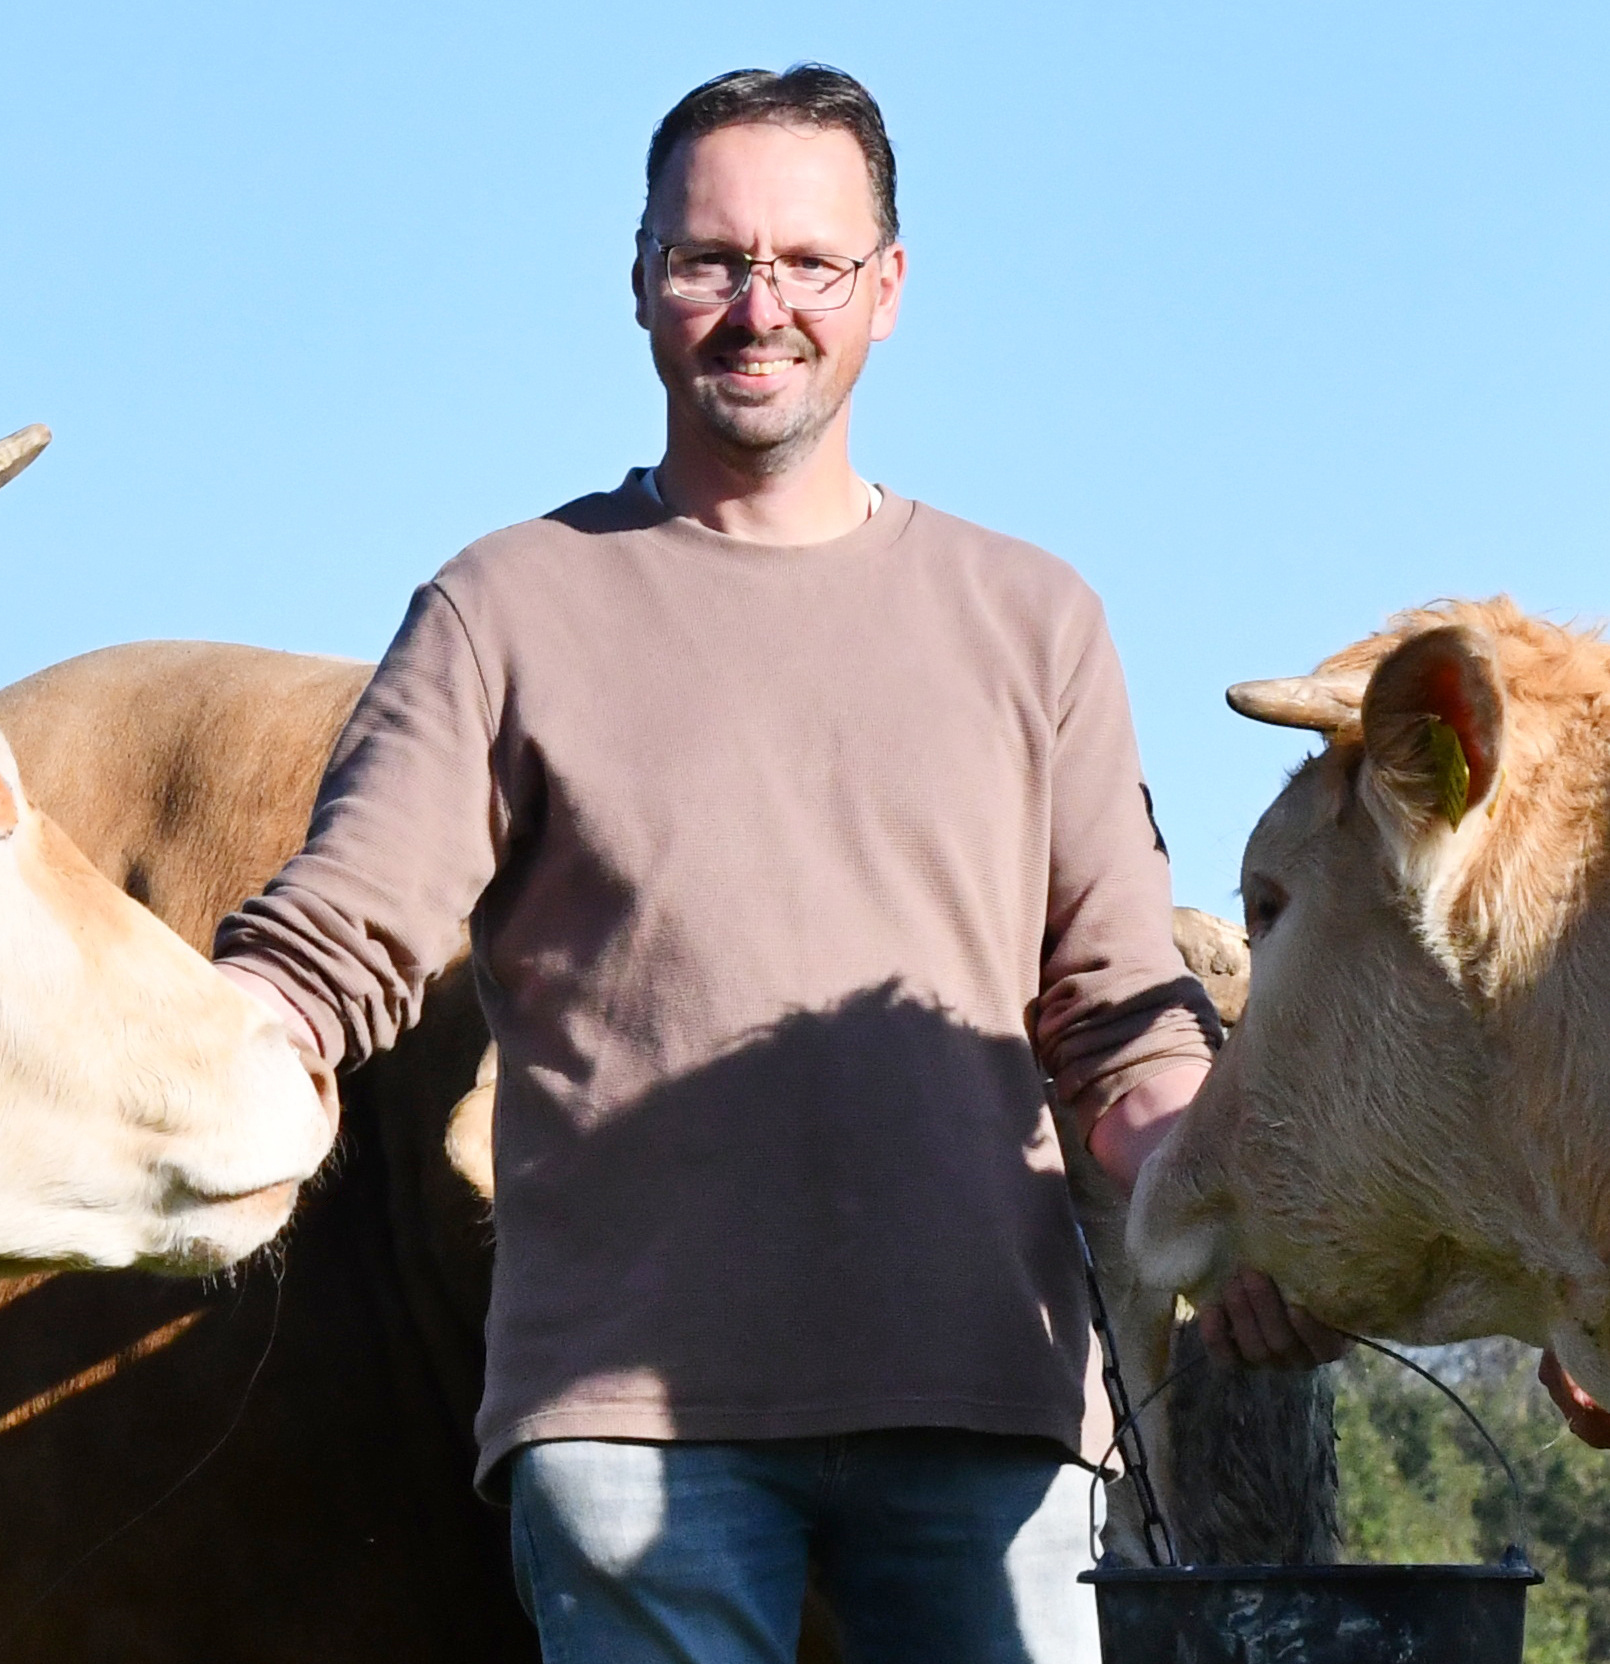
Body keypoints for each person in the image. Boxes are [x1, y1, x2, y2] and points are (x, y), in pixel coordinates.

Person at [211, 64, 1341, 1664]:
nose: (759, 307)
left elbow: (1113, 1016)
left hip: (984, 1408)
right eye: (709, 260)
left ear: (886, 289)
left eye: (808, 263)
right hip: (628, 1424)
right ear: (639, 284)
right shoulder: (506, 606)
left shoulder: (1030, 620)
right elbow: (340, 937)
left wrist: (1226, 1199)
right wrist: (198, 1058)